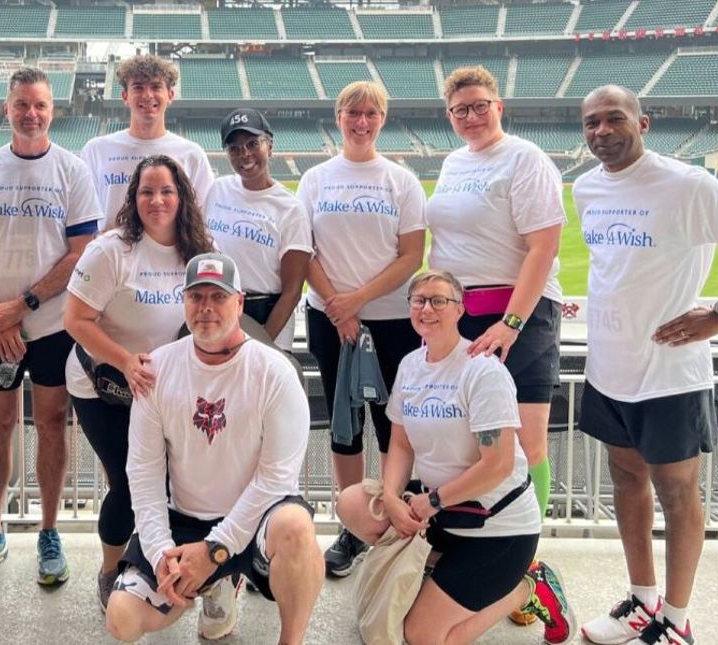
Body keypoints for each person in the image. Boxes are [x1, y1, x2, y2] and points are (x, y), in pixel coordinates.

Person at [573, 86, 718, 645]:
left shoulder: (685, 183)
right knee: (625, 479)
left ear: (642, 122)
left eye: (614, 118)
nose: (602, 131)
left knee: (676, 491)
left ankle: (677, 617)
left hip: (670, 371)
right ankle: (642, 602)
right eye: (591, 122)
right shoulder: (587, 187)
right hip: (609, 367)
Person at [335, 271, 576, 645]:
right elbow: (400, 444)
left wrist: (430, 502)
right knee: (353, 503)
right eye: (419, 300)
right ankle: (440, 573)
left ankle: (529, 587)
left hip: (497, 527)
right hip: (444, 512)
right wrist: (392, 498)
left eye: (439, 301)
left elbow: (498, 465)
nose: (427, 308)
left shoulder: (482, 369)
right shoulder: (410, 365)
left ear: (460, 310)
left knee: (423, 636)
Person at [107, 252, 323, 643]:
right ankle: (216, 585)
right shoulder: (156, 369)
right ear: (184, 302)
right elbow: (144, 472)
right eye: (196, 296)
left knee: (296, 527)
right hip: (185, 519)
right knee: (122, 619)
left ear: (239, 302)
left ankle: (290, 638)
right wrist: (160, 555)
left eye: (218, 297)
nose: (206, 308)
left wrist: (213, 554)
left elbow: (276, 479)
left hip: (256, 520)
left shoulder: (275, 373)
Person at [425, 66, 567, 624]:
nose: (471, 116)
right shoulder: (454, 162)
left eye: (479, 105)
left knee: (526, 446)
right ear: (450, 116)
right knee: (475, 439)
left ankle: (526, 567)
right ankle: (481, 553)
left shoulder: (525, 157)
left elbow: (543, 248)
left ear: (498, 105)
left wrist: (511, 322)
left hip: (518, 312)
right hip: (465, 312)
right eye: (460, 110)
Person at [0, 67, 102, 586]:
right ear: (7, 108)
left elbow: (81, 251)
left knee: (52, 423)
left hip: (54, 323)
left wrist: (25, 304)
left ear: (52, 110)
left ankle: (48, 530)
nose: (31, 113)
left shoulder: (72, 170)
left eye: (39, 105)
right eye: (21, 104)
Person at [62, 155, 215, 610]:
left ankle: (155, 563)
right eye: (146, 191)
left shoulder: (198, 251)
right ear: (133, 198)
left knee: (168, 483)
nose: (157, 200)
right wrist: (126, 360)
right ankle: (111, 570)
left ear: (182, 197)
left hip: (159, 392)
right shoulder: (111, 250)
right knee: (129, 486)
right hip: (101, 385)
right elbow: (75, 319)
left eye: (166, 191)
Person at [295, 80, 426, 576]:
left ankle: (393, 521)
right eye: (353, 112)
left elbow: (411, 255)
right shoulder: (316, 179)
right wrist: (338, 306)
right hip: (330, 319)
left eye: (371, 112)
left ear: (383, 119)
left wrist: (358, 300)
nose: (362, 121)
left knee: (394, 423)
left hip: (392, 318)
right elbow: (303, 251)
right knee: (345, 423)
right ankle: (351, 529)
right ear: (339, 116)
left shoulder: (401, 180)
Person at [203, 109, 311, 350]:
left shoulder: (290, 208)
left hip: (269, 317)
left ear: (269, 146)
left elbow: (292, 292)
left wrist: (261, 343)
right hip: (221, 313)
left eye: (253, 143)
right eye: (234, 148)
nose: (245, 154)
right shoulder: (217, 190)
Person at [81, 54, 213, 226]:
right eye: (138, 87)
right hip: (112, 251)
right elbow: (83, 214)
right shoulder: (97, 150)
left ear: (170, 95)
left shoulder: (191, 154)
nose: (147, 95)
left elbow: (204, 219)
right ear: (125, 97)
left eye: (156, 87)